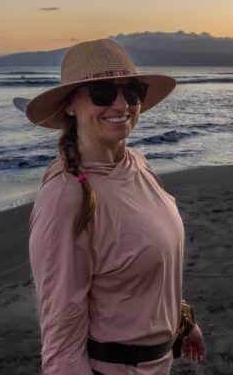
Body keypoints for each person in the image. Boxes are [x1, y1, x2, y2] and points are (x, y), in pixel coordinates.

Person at [24, 38, 205, 374]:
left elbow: (149, 269)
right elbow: (61, 342)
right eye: (103, 92)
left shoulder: (137, 163)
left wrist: (182, 321)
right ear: (70, 105)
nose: (122, 104)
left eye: (132, 91)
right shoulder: (65, 199)